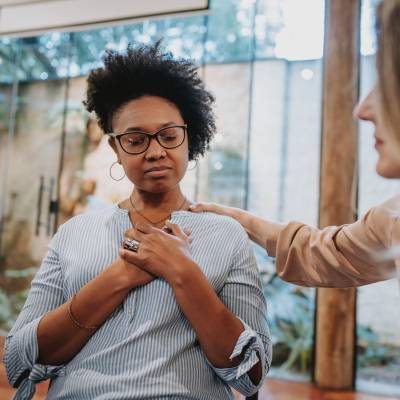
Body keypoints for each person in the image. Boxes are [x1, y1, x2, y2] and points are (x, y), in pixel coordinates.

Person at [3, 42, 271, 400]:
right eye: (136, 139)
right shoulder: (75, 233)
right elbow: (19, 359)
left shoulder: (226, 235)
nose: (156, 151)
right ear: (115, 148)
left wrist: (182, 272)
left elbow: (251, 373)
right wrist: (120, 276)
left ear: (188, 138)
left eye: (169, 135)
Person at [190, 0, 400, 288]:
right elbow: (323, 253)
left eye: (387, 85)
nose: (362, 110)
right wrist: (233, 218)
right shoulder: (393, 219)